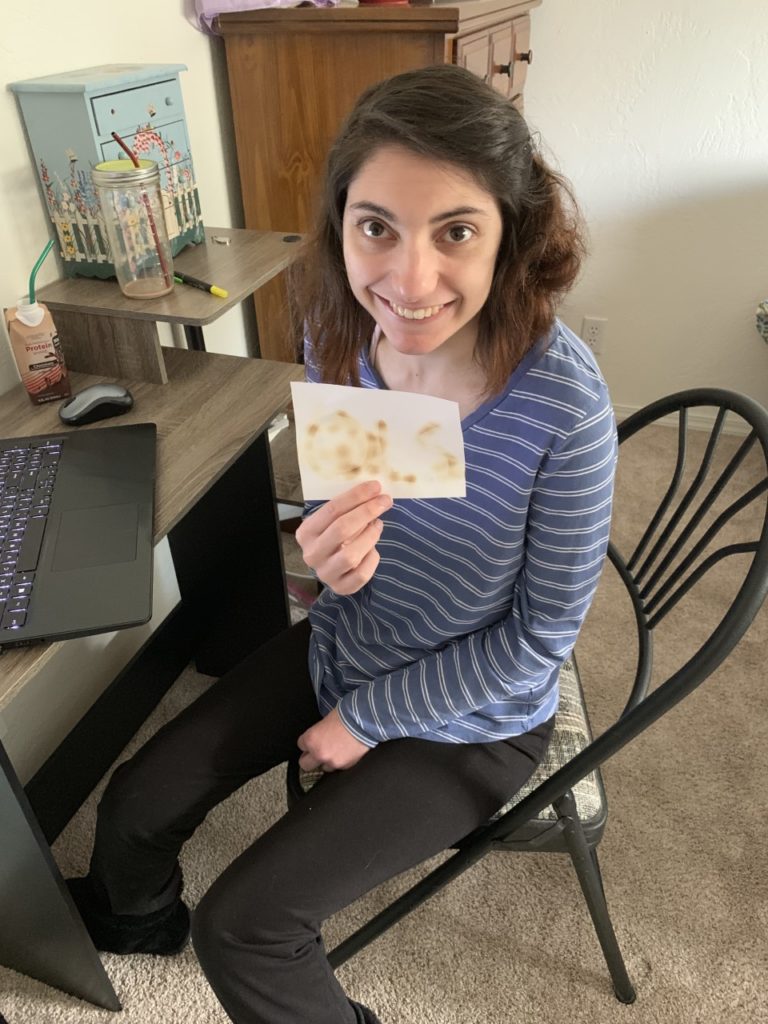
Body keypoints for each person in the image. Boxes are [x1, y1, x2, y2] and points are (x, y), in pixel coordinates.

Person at [68, 64, 617, 1024]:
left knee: (244, 931)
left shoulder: (562, 406)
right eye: (377, 228)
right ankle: (131, 923)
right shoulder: (343, 336)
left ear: (511, 233)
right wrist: (322, 560)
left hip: (474, 712)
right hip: (351, 639)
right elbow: (342, 511)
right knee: (135, 802)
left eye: (456, 231)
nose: (409, 283)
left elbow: (540, 641)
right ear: (342, 226)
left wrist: (370, 718)